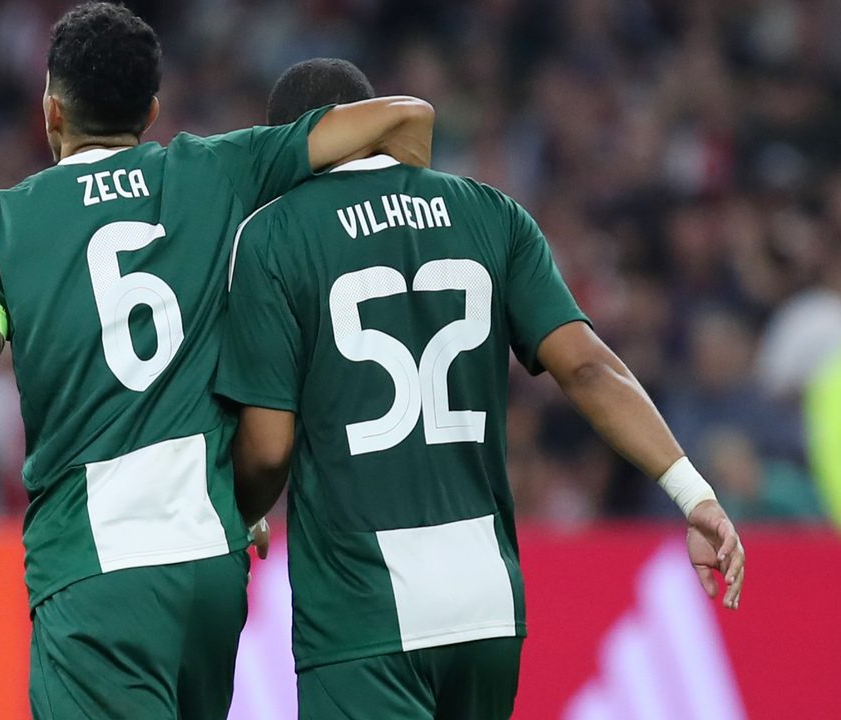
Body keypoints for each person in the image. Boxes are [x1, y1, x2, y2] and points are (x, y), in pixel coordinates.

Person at [0, 5, 435, 719]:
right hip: (211, 564)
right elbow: (402, 117)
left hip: (93, 576)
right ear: (151, 111)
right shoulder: (215, 169)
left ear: (52, 110)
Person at [215, 58, 746, 720]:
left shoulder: (273, 234)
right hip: (485, 601)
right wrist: (693, 494)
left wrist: (243, 509)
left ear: (293, 143)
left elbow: (268, 448)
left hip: (362, 603)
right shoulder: (491, 212)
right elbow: (588, 367)